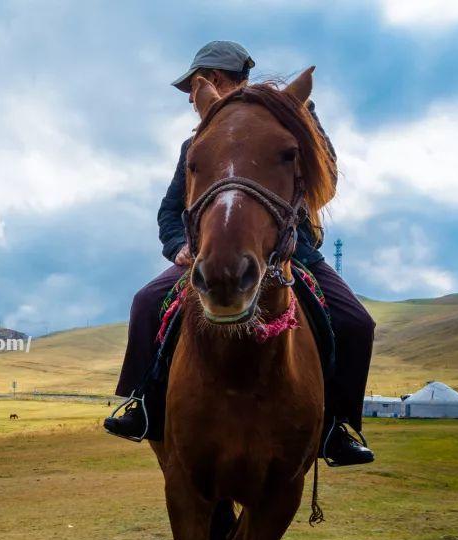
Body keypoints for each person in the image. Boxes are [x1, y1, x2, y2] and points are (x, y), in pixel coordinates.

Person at [104, 41, 375, 466]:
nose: (193, 102)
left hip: (292, 252)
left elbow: (327, 182)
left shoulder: (292, 119)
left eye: (194, 90)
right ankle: (143, 406)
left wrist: (299, 121)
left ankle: (337, 426)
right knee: (145, 303)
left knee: (357, 323)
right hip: (209, 255)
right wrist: (179, 247)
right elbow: (170, 211)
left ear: (215, 82)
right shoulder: (196, 144)